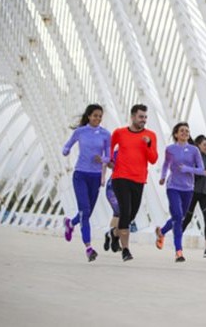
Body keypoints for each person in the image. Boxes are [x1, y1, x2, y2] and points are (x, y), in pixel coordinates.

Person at [61, 104, 111, 262]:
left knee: (87, 212)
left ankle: (70, 223)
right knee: (85, 210)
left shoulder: (105, 134)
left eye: (100, 116)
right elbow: (67, 146)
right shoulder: (80, 132)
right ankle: (89, 248)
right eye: (95, 115)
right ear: (88, 116)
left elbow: (108, 157)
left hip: (95, 177)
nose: (97, 118)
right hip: (80, 175)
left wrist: (101, 159)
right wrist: (66, 151)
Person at [109, 104, 158, 261]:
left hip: (139, 179)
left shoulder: (150, 135)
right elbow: (109, 148)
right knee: (125, 210)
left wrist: (148, 144)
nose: (143, 120)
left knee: (131, 214)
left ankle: (114, 233)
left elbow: (153, 159)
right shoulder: (119, 133)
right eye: (140, 117)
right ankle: (126, 250)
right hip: (120, 177)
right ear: (132, 117)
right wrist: (109, 161)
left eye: (145, 117)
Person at [154, 123, 206, 262]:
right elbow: (166, 165)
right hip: (173, 187)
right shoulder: (170, 149)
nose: (185, 133)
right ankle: (179, 251)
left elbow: (201, 170)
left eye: (187, 131)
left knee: (179, 217)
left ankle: (161, 232)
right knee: (178, 217)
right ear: (176, 134)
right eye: (182, 131)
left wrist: (187, 169)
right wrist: (162, 177)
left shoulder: (194, 150)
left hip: (188, 189)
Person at [182, 134, 206, 258]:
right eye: (204, 145)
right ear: (198, 146)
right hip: (193, 191)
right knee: (187, 218)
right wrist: (202, 172)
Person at [103, 151, 120, 252]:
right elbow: (108, 163)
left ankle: (110, 235)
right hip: (113, 187)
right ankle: (113, 237)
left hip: (123, 187)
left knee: (117, 214)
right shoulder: (116, 152)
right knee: (121, 213)